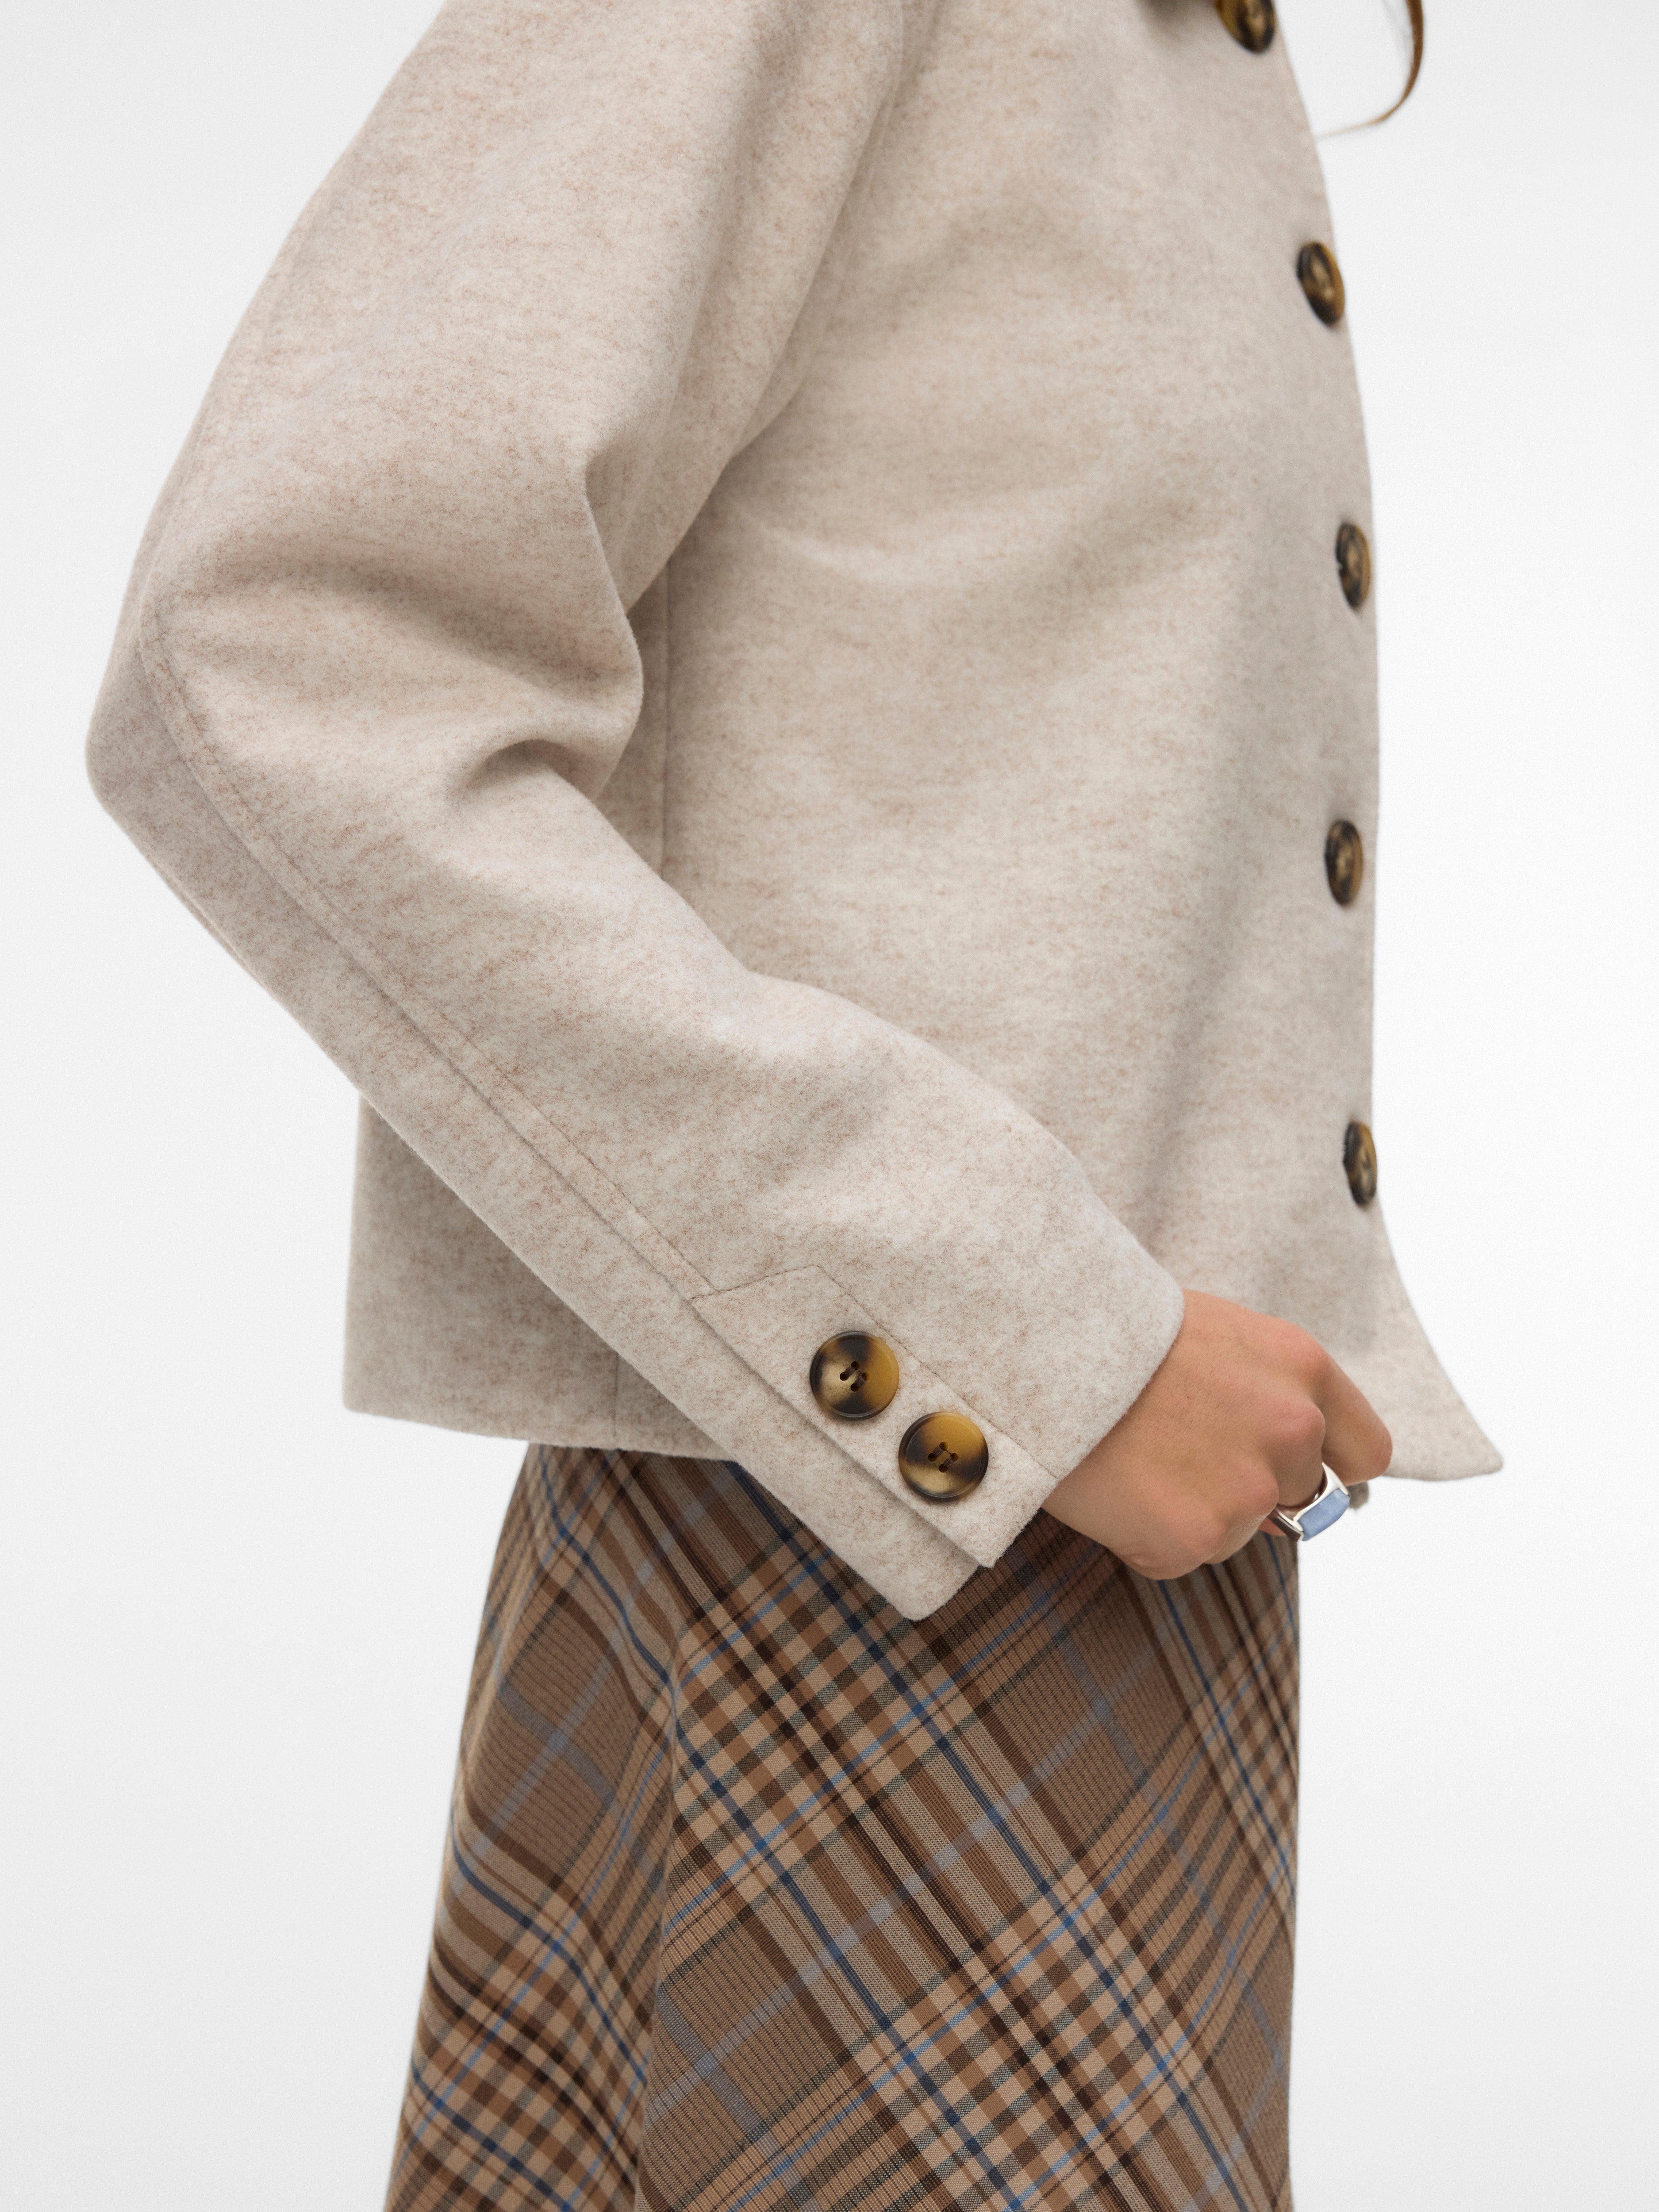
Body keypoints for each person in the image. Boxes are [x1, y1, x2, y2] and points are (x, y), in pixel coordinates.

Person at [88, 0, 1494, 2204]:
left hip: (1112, 1573)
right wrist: (1028, 1345)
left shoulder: (1172, 51)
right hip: (844, 1583)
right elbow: (273, 656)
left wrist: (1080, 1369)